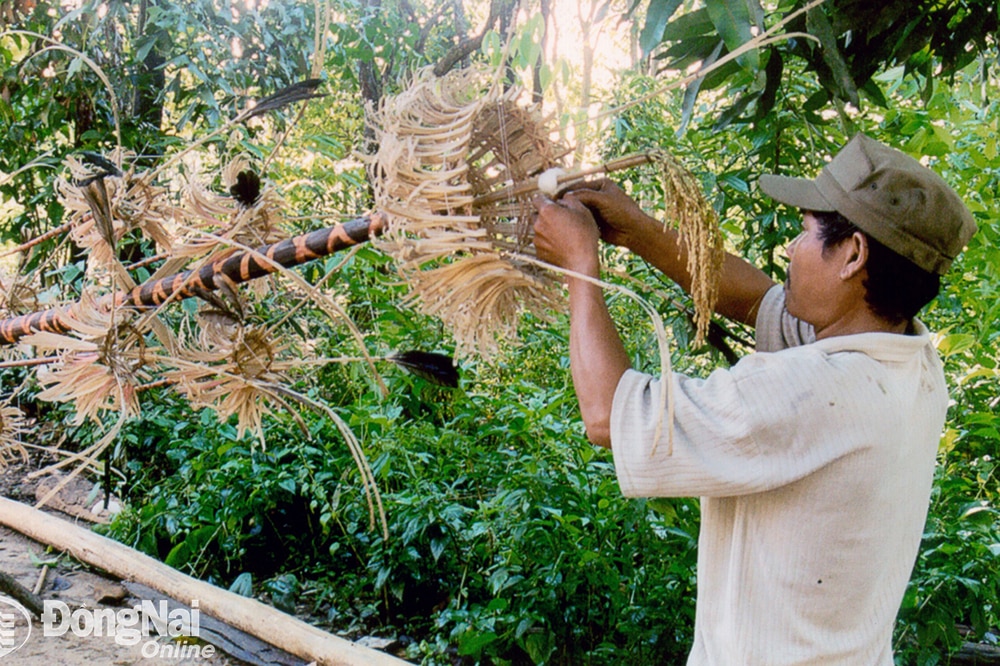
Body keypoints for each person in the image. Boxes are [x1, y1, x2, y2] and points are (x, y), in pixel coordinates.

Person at [530, 134, 978, 665]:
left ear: (853, 254)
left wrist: (580, 264)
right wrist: (638, 229)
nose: (792, 247)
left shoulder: (812, 390)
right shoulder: (909, 360)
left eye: (805, 231)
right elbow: (755, 298)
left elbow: (608, 416)